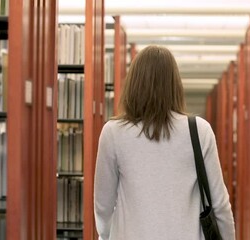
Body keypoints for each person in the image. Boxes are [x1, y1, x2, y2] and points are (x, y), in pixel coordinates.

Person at [94, 45, 235, 240]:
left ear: (133, 84)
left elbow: (103, 206)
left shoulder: (113, 133)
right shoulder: (199, 131)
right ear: (175, 85)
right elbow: (220, 205)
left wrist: (107, 234)